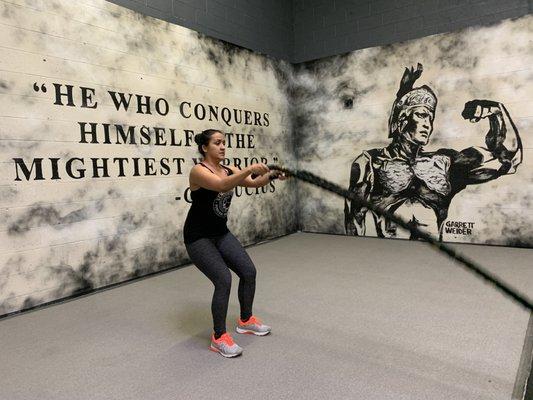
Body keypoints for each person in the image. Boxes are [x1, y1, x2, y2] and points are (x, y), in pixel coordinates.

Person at [344, 63, 522, 240]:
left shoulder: (444, 163)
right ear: (402, 120)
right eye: (421, 115)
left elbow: (510, 158)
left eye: (431, 118)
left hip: (432, 256)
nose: (427, 124)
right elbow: (355, 219)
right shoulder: (372, 163)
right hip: (389, 254)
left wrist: (495, 111)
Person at [183, 129, 287, 358]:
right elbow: (222, 185)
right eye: (217, 143)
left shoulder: (229, 169)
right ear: (204, 148)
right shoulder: (199, 171)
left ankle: (246, 320)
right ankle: (219, 337)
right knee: (223, 279)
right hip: (198, 237)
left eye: (224, 143)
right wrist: (249, 168)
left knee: (248, 272)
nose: (222, 147)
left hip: (220, 234)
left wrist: (272, 175)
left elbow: (252, 183)